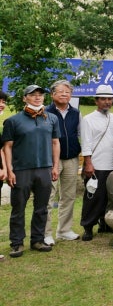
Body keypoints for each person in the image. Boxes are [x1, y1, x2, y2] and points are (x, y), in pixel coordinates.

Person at [3, 85, 61, 257]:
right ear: (24, 98)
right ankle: (17, 243)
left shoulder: (51, 118)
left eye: (40, 95)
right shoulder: (13, 121)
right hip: (21, 170)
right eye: (33, 95)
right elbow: (7, 147)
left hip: (44, 168)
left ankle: (37, 240)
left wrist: (55, 166)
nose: (37, 98)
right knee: (18, 208)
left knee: (42, 207)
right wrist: (10, 170)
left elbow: (55, 143)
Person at [80, 84, 113, 241]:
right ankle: (88, 226)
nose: (107, 102)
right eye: (103, 99)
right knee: (93, 197)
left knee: (110, 197)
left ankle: (106, 223)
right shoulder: (88, 119)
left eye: (110, 99)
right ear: (96, 100)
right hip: (96, 165)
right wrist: (88, 163)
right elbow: (86, 143)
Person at [45, 79, 83, 244]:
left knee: (68, 196)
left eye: (67, 92)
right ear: (53, 94)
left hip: (72, 158)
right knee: (48, 196)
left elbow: (80, 133)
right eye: (60, 92)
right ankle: (45, 233)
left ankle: (64, 230)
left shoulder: (76, 113)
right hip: (51, 159)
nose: (64, 94)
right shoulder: (45, 112)